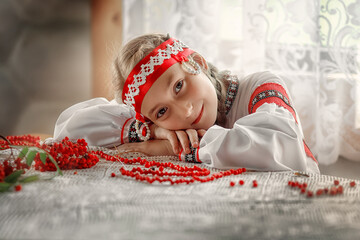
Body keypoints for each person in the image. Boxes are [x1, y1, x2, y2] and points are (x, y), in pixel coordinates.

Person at [53, 33, 320, 174]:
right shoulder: (155, 124)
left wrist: (164, 149)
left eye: (178, 86)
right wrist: (155, 132)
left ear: (198, 63)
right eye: (162, 111)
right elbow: (67, 132)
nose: (186, 111)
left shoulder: (260, 86)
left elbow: (283, 148)